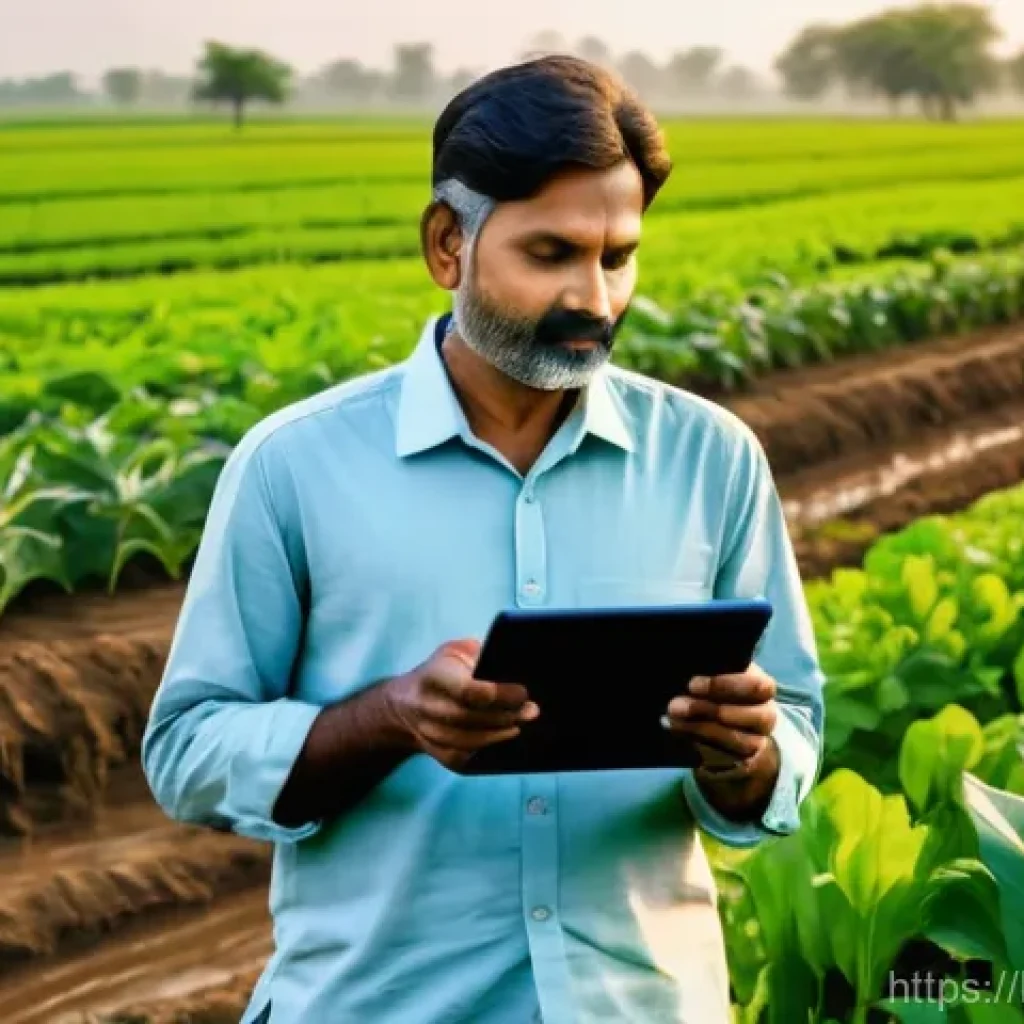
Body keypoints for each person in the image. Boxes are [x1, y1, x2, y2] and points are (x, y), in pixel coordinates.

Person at [142, 54, 825, 1024]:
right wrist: (385, 716)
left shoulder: (710, 458)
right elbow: (185, 749)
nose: (596, 296)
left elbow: (791, 732)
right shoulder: (294, 465)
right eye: (550, 254)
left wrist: (744, 754)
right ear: (445, 246)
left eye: (618, 255)